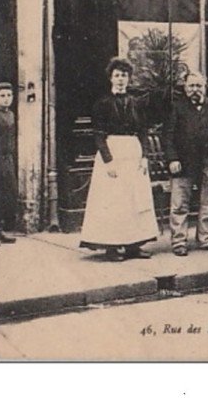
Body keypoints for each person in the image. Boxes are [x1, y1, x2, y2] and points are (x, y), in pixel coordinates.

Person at [80, 58, 158, 262]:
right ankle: (112, 247)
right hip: (113, 151)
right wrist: (108, 161)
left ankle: (134, 245)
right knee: (113, 200)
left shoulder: (136, 102)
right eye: (117, 75)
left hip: (133, 152)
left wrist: (145, 157)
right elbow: (98, 134)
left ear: (129, 78)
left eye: (124, 75)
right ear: (110, 78)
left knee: (134, 198)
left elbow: (143, 131)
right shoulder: (102, 103)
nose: (121, 79)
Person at [161, 71, 208, 256]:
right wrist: (172, 159)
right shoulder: (177, 107)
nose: (195, 90)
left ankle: (206, 239)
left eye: (199, 86)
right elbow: (167, 137)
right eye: (191, 86)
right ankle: (179, 242)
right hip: (183, 162)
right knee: (180, 204)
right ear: (185, 88)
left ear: (205, 87)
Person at [0, 82, 18, 246]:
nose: (6, 99)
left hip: (8, 158)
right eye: (2, 96)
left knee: (6, 194)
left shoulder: (11, 115)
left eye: (9, 95)